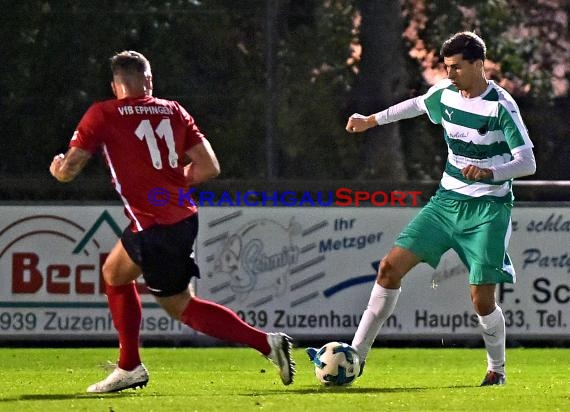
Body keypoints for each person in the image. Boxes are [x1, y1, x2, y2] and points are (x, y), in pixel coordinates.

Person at [49, 50, 295, 393]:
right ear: (148, 80)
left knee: (182, 307)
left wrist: (58, 167)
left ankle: (266, 344)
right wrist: (167, 180)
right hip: (177, 218)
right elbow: (209, 167)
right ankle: (129, 365)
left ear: (115, 84)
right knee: (114, 274)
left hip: (156, 228)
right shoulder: (173, 110)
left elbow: (69, 170)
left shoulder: (103, 113)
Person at [344, 32, 535, 386]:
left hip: (488, 210)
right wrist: (371, 120)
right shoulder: (445, 94)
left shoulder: (500, 105)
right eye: (447, 67)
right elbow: (416, 105)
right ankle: (355, 357)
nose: (450, 75)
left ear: (479, 65)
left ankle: (497, 370)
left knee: (481, 301)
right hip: (445, 203)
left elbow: (527, 162)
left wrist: (491, 172)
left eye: (457, 68)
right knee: (388, 269)